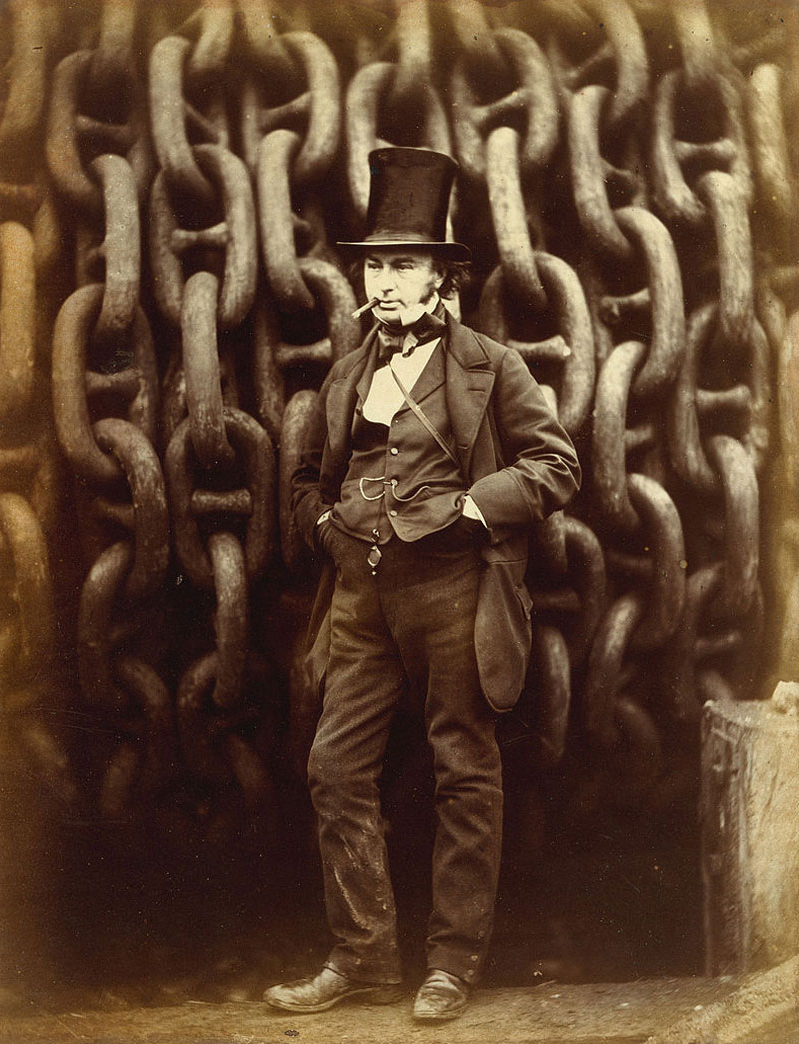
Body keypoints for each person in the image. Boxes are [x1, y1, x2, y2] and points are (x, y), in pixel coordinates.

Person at [265, 147, 580, 1022]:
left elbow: (556, 465)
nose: (387, 283)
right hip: (362, 597)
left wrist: (474, 509)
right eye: (376, 266)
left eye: (404, 265)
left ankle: (450, 965)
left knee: (463, 768)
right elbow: (306, 479)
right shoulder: (347, 375)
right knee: (334, 767)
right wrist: (326, 531)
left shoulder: (492, 366)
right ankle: (363, 958)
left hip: (454, 592)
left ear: (443, 278)